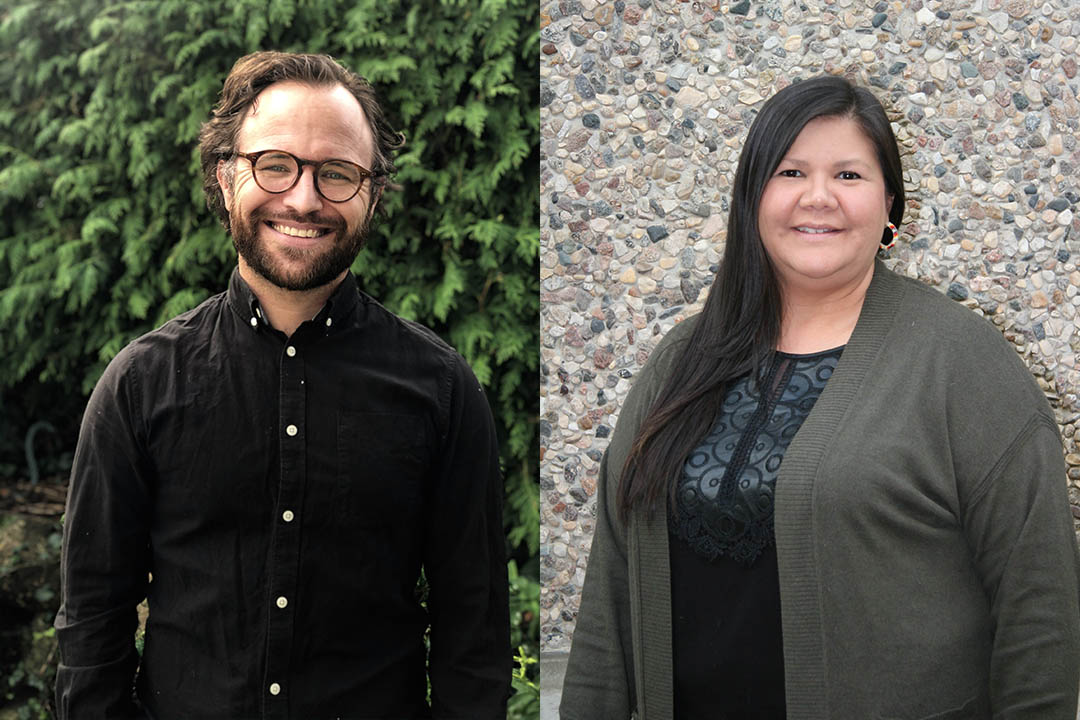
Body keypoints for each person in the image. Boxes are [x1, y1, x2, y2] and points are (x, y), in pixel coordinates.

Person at [560, 75, 1080, 719]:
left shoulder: (961, 361)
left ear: (891, 204)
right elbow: (610, 587)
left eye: (850, 176)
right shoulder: (681, 361)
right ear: (753, 197)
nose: (818, 197)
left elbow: (1039, 603)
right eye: (790, 171)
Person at [54, 51, 510, 719]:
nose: (303, 198)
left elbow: (474, 635)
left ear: (373, 193)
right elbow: (93, 622)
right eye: (275, 164)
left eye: (337, 174)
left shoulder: (440, 390)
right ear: (225, 174)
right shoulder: (140, 385)